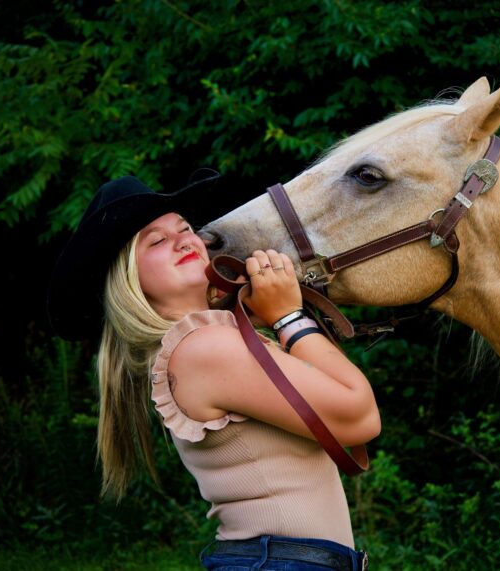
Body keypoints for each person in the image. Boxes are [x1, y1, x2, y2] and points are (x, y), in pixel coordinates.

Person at [47, 170, 380, 571]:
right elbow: (358, 418)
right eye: (157, 240)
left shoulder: (206, 342)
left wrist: (266, 319)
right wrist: (288, 316)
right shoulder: (202, 348)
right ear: (129, 281)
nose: (184, 239)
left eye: (185, 228)